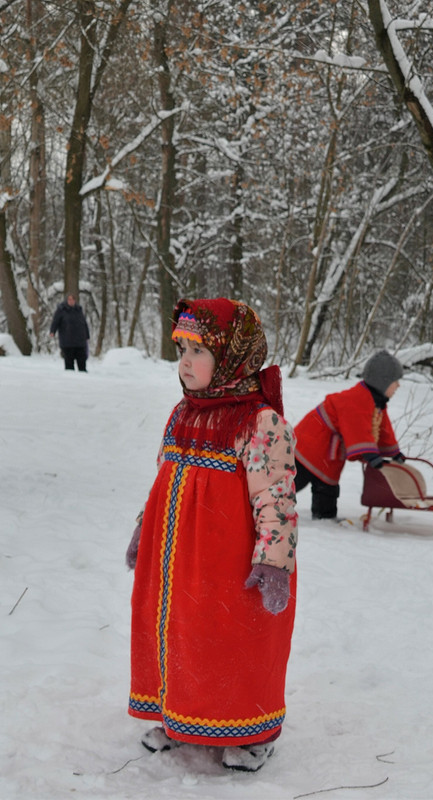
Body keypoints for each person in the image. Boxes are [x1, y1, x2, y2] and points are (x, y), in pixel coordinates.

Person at [126, 298, 298, 773]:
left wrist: (273, 561)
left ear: (230, 354)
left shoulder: (260, 423)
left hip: (230, 562)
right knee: (180, 635)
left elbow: (276, 500)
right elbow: (164, 477)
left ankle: (252, 728)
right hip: (174, 559)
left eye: (198, 350)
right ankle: (178, 713)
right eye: (181, 348)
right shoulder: (184, 413)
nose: (184, 361)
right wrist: (145, 525)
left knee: (231, 639)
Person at [294, 349, 405, 520]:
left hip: (327, 450)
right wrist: (370, 454)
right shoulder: (356, 399)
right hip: (310, 443)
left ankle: (324, 517)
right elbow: (357, 428)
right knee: (293, 481)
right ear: (382, 382)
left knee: (327, 484)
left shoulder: (376, 403)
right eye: (395, 381)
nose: (398, 386)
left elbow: (383, 430)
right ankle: (265, 507)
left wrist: (393, 452)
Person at [49, 293, 90, 371]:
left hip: (80, 341)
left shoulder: (79, 310)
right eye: (69, 299)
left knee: (82, 362)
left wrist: (87, 336)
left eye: (72, 299)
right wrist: (52, 331)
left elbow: (84, 324)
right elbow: (55, 322)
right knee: (69, 364)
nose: (71, 301)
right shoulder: (61, 310)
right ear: (66, 300)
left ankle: (83, 377)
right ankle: (70, 378)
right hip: (67, 340)